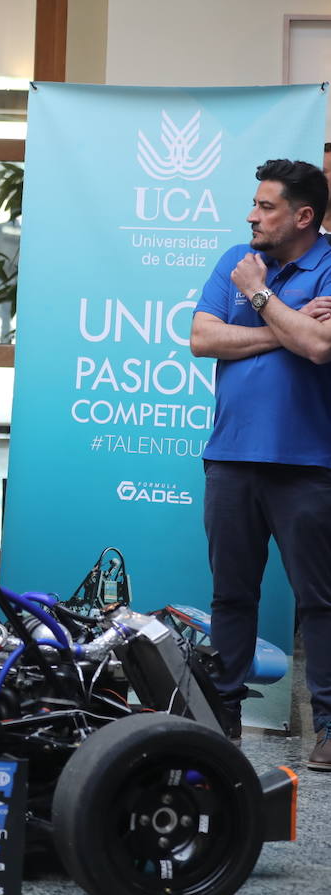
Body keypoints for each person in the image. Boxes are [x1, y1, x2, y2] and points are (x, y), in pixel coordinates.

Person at [189, 158, 331, 769]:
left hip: (309, 462)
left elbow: (322, 348)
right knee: (231, 595)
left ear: (303, 215)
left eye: (266, 206)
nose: (252, 215)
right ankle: (221, 718)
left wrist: (257, 297)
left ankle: (329, 727)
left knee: (320, 601)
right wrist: (288, 327)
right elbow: (202, 338)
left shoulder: (310, 265)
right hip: (230, 458)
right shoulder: (234, 258)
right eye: (254, 204)